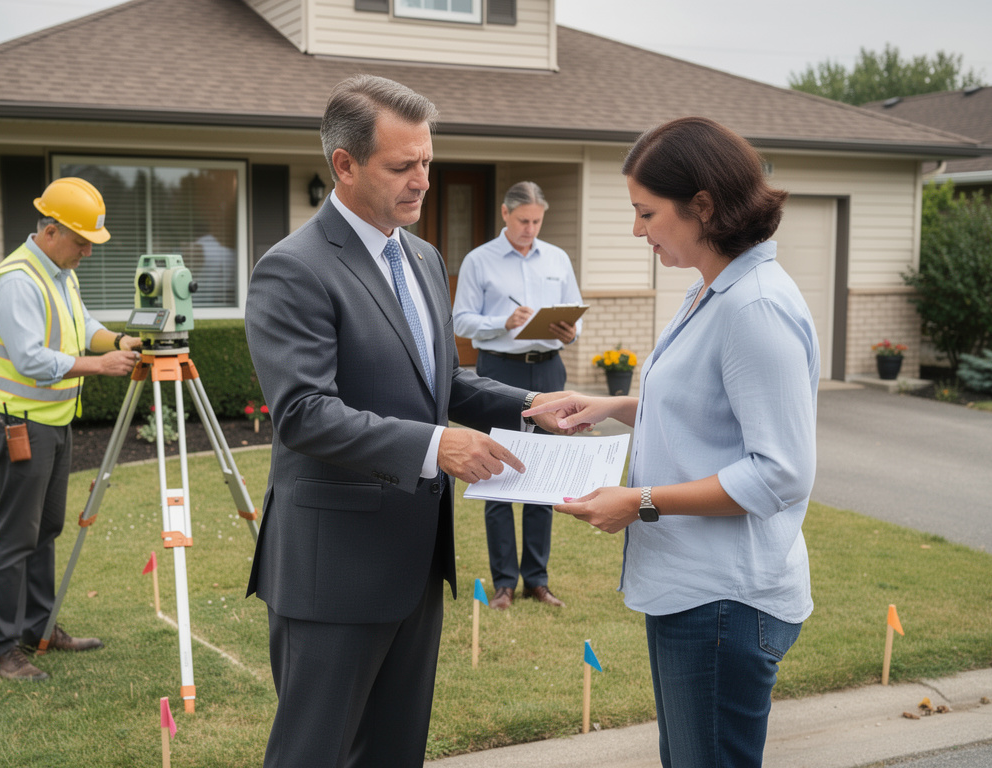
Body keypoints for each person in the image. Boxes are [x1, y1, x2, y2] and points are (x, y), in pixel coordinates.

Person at [244, 75, 568, 768]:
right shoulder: (292, 269)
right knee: (313, 754)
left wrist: (530, 407)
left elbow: (439, 383)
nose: (423, 180)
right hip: (334, 570)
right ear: (345, 165)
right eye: (403, 166)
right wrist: (435, 446)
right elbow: (303, 414)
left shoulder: (421, 257)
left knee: (395, 753)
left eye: (427, 161)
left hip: (417, 563)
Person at [525, 116, 819, 768]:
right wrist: (610, 405)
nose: (637, 230)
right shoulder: (711, 290)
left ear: (703, 207)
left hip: (724, 602)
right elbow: (705, 409)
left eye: (645, 212)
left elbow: (780, 474)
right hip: (695, 593)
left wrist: (640, 502)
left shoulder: (754, 307)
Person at [0, 177, 143, 682]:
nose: (89, 251)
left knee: (45, 529)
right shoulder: (16, 280)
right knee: (16, 537)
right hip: (17, 422)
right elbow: (30, 360)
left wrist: (121, 339)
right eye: (82, 241)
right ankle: (1, 648)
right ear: (50, 230)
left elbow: (82, 324)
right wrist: (101, 366)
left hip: (51, 420)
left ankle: (38, 627)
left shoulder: (58, 271)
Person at [452, 181, 582, 610]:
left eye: (537, 221)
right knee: (499, 476)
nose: (530, 228)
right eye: (523, 220)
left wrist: (569, 330)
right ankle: (504, 583)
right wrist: (503, 322)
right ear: (505, 216)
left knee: (544, 478)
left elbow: (574, 318)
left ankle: (537, 581)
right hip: (499, 374)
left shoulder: (558, 259)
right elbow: (462, 322)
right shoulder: (478, 260)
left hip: (548, 369)